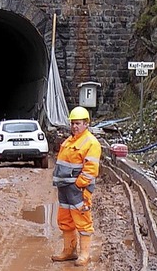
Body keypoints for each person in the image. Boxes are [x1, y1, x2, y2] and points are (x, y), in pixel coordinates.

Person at [51, 106, 101, 266]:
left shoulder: (91, 143)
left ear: (86, 124)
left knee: (82, 220)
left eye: (78, 123)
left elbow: (91, 169)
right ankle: (69, 251)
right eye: (73, 123)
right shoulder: (69, 141)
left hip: (78, 189)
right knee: (65, 220)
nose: (74, 126)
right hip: (64, 188)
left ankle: (84, 254)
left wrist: (80, 185)